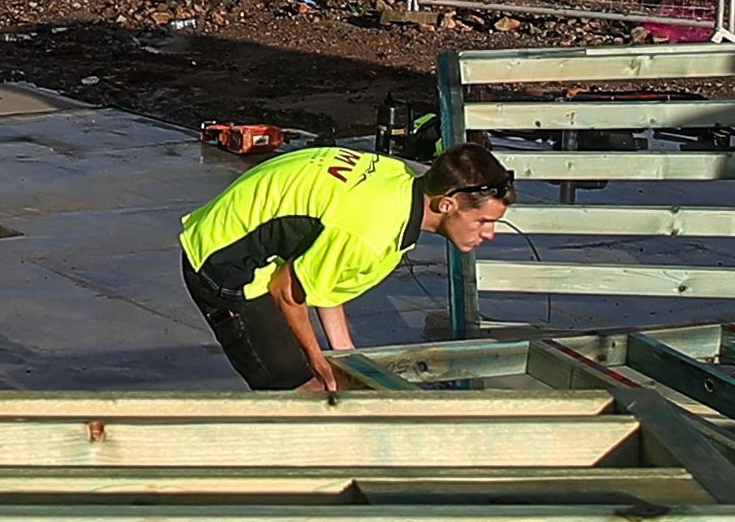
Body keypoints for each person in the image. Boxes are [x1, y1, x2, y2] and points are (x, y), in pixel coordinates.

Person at [176, 138, 515, 395]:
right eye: (483, 221)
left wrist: (346, 357)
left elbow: (324, 275)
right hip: (223, 264)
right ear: (447, 203)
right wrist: (319, 361)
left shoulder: (398, 180)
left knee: (336, 381)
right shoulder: (371, 231)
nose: (490, 233)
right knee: (302, 390)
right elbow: (287, 290)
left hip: (251, 239)